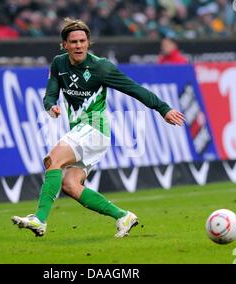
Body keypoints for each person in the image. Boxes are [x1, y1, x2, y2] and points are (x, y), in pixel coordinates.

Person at [11, 18, 186, 238]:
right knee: (70, 185)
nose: (78, 45)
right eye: (73, 41)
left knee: (53, 159)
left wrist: (163, 109)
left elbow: (134, 89)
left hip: (95, 129)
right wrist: (51, 105)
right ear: (64, 44)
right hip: (82, 131)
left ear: (88, 42)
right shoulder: (58, 64)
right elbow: (51, 91)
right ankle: (123, 216)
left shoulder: (100, 67)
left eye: (82, 41)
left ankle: (39, 219)